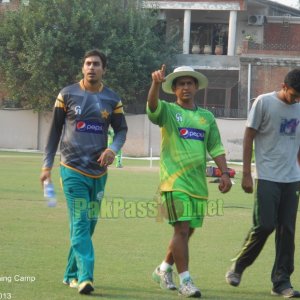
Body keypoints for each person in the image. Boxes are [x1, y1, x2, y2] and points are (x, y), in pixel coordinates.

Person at [40, 49, 128, 295]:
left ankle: (70, 273)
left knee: (87, 226)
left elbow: (121, 130)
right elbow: (54, 132)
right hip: (72, 169)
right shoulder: (67, 94)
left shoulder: (112, 99)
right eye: (88, 63)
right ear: (82, 68)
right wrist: (47, 166)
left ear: (104, 69)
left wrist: (113, 149)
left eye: (96, 64)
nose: (91, 67)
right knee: (79, 221)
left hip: (99, 173)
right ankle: (85, 277)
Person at [147, 65, 232, 298]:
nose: (186, 87)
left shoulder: (206, 117)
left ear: (196, 87)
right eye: (181, 83)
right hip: (173, 183)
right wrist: (155, 83)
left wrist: (224, 173)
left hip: (198, 185)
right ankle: (186, 281)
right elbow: (152, 107)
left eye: (189, 83)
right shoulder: (168, 111)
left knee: (187, 231)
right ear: (174, 89)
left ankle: (163, 269)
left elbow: (215, 147)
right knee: (181, 229)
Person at [225, 68, 300, 298]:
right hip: (267, 176)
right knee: (265, 225)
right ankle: (239, 265)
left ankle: (281, 282)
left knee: (287, 230)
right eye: (293, 94)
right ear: (283, 86)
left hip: (292, 178)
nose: (296, 99)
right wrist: (247, 173)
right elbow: (249, 136)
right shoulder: (263, 102)